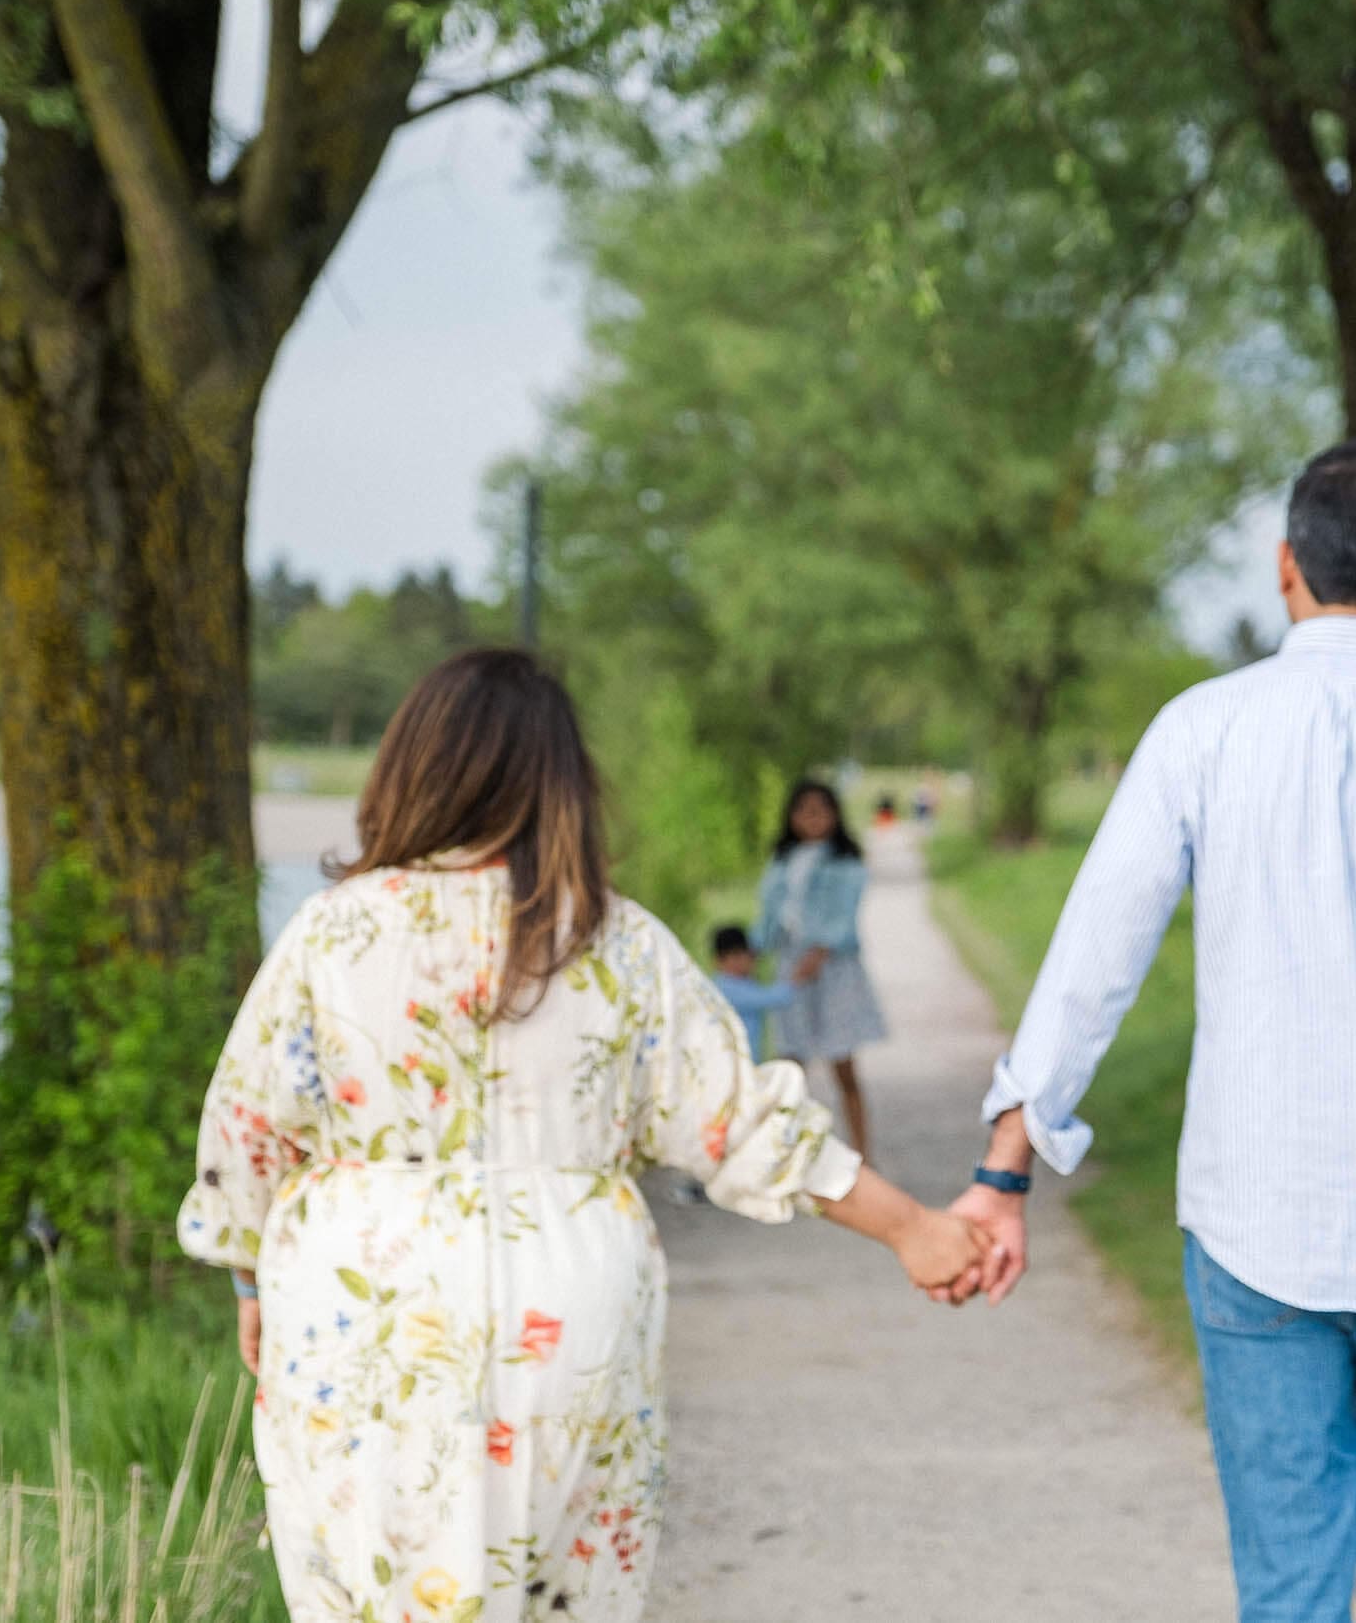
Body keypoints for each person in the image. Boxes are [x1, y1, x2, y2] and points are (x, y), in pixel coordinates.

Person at [945, 439, 1356, 1623]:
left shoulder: (1202, 732)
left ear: (1282, 567)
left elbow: (1093, 955)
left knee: (1292, 1585)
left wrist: (1004, 1168)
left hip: (1261, 1228)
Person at [177, 650, 988, 1623]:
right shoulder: (616, 941)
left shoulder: (332, 933)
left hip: (361, 1290)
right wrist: (910, 1226)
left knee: (371, 1582)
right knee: (556, 1583)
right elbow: (739, 1119)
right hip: (563, 1295)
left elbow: (247, 1129)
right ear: (561, 784)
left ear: (406, 770)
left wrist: (249, 1277)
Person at [755, 780, 885, 1163]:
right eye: (804, 811)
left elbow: (844, 917)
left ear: (834, 815)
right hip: (792, 967)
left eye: (820, 810)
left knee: (842, 1063)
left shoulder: (845, 864)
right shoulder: (781, 862)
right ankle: (785, 1154)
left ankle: (863, 1152)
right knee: (790, 1064)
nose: (812, 818)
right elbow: (769, 918)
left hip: (833, 970)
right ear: (791, 817)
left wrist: (819, 952)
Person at [709, 923, 798, 1060]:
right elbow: (775, 997)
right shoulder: (724, 988)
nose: (744, 961)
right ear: (719, 960)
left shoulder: (744, 983)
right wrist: (800, 975)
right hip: (733, 1062)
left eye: (747, 955)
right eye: (736, 956)